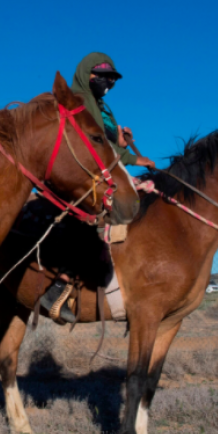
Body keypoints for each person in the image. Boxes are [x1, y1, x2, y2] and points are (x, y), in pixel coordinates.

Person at [38, 52, 155, 323]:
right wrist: (133, 159)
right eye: (102, 77)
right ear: (86, 74)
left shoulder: (101, 105)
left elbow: (109, 143)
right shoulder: (81, 100)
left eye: (111, 79)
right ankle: (58, 287)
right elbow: (94, 145)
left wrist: (123, 143)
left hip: (100, 167)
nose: (107, 83)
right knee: (92, 218)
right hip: (81, 170)